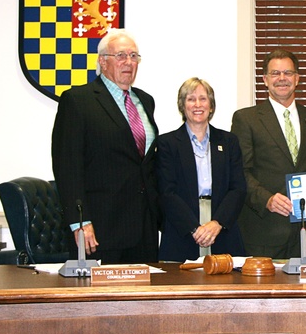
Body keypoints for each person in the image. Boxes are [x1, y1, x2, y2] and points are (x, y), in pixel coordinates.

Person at [51, 29, 159, 264]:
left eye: (134, 56)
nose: (128, 62)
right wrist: (79, 221)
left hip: (144, 228)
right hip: (100, 229)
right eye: (121, 55)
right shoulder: (78, 101)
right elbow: (67, 167)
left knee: (144, 299)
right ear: (103, 61)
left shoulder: (146, 101)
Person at [231, 49, 306, 258]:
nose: (282, 79)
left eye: (288, 73)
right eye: (275, 73)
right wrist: (266, 199)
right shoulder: (246, 119)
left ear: (297, 78)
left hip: (304, 232)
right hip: (263, 230)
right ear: (265, 79)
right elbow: (240, 172)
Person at [156, 78, 246, 262]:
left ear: (211, 105)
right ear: (182, 106)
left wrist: (217, 223)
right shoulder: (167, 143)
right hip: (182, 230)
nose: (197, 104)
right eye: (191, 99)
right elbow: (167, 192)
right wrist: (195, 229)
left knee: (226, 286)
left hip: (222, 228)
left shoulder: (229, 142)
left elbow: (238, 188)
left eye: (203, 99)